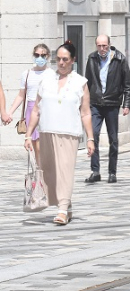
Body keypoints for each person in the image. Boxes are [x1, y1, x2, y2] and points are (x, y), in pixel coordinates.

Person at [24, 41, 95, 225]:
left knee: (65, 171)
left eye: (65, 59)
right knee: (50, 172)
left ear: (73, 60)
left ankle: (62, 209)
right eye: (58, 59)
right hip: (46, 131)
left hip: (69, 133)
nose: (61, 63)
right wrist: (28, 134)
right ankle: (67, 205)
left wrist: (90, 139)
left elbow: (86, 113)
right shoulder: (46, 80)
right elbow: (36, 111)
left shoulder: (81, 82)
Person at [84, 35, 130, 184]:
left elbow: (128, 84)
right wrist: (85, 103)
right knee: (94, 135)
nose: (102, 49)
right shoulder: (92, 58)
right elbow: (87, 83)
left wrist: (126, 104)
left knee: (113, 139)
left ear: (109, 45)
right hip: (96, 103)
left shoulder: (120, 59)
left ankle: (112, 172)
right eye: (99, 46)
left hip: (112, 103)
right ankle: (95, 171)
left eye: (104, 46)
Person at [7, 44, 55, 165]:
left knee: (42, 146)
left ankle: (42, 172)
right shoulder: (27, 74)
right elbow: (21, 95)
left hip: (46, 110)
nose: (40, 58)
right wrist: (10, 112)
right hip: (31, 108)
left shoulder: (52, 74)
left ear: (47, 56)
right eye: (37, 55)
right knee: (34, 144)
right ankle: (39, 173)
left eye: (43, 55)